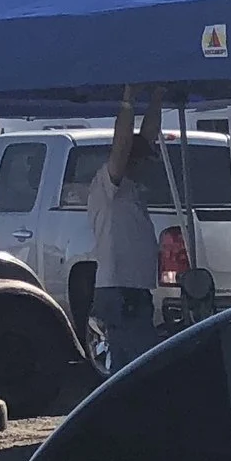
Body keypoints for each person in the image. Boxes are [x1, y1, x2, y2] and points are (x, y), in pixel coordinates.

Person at [88, 86, 167, 370]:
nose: (151, 166)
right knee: (134, 366)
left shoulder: (130, 187)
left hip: (133, 289)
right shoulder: (111, 184)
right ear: (134, 161)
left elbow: (146, 137)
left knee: (137, 360)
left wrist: (157, 98)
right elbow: (122, 145)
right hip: (119, 291)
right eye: (147, 160)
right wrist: (128, 101)